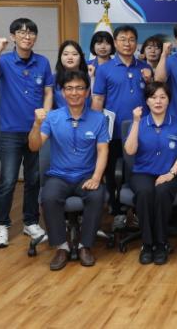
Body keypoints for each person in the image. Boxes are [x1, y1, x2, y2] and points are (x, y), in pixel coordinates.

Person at [28, 70, 109, 271]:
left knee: (97, 195)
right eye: (69, 88)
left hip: (86, 176)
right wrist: (36, 125)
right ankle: (62, 247)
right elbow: (34, 146)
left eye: (79, 88)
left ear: (87, 92)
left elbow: (102, 150)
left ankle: (84, 246)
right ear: (62, 92)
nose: (74, 93)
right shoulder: (52, 117)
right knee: (48, 196)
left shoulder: (99, 119)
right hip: (59, 176)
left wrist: (96, 177)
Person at [0, 18, 53, 248]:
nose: (27, 36)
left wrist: (45, 117)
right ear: (13, 36)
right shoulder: (3, 61)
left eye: (31, 32)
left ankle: (30, 222)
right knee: (8, 180)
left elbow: (48, 92)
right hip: (11, 132)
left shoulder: (42, 62)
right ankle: (1, 224)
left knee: (33, 179)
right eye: (21, 32)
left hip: (35, 130)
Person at [91, 25, 152, 229]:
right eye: (123, 39)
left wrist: (150, 81)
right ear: (115, 43)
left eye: (132, 39)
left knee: (138, 171)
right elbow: (98, 100)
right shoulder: (104, 69)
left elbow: (155, 98)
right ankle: (117, 211)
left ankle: (138, 211)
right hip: (113, 131)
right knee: (112, 173)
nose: (127, 43)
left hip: (141, 131)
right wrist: (97, 129)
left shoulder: (145, 68)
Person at [123, 82, 177, 265]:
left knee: (162, 191)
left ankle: (161, 244)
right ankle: (147, 244)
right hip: (142, 172)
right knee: (145, 192)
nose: (158, 101)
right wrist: (136, 122)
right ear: (147, 101)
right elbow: (130, 150)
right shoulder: (139, 123)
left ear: (168, 100)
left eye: (162, 97)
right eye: (153, 97)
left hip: (170, 173)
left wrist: (171, 174)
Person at [53, 40, 89, 109]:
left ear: (81, 57)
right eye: (65, 54)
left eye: (74, 54)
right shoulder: (53, 79)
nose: (70, 57)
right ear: (60, 57)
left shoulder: (89, 77)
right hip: (60, 115)